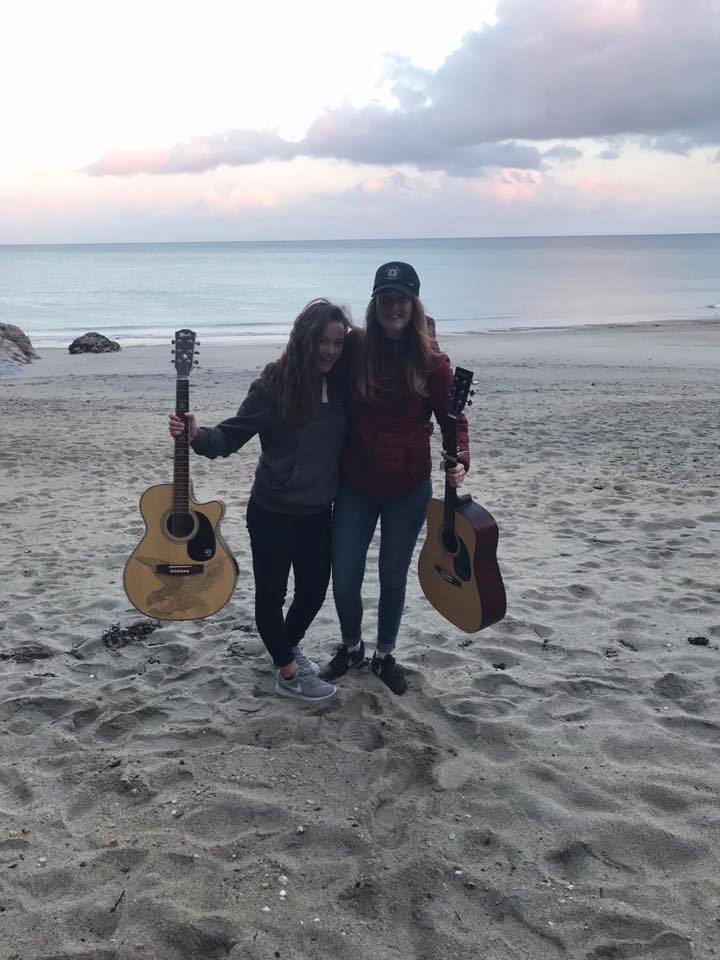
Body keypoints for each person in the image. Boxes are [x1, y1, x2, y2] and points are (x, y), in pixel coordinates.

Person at [168, 299, 350, 702]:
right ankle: (287, 673)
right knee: (272, 594)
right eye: (322, 341)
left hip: (320, 513)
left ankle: (285, 648)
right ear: (303, 339)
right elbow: (228, 439)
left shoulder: (343, 386)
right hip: (273, 512)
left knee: (314, 592)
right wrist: (196, 434)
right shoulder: (271, 387)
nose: (330, 351)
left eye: (338, 343)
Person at [322, 262, 469, 695]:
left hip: (408, 487)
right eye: (386, 299)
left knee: (392, 576)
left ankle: (385, 654)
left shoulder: (432, 361)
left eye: (402, 298)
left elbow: (453, 419)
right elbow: (315, 362)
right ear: (375, 304)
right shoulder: (354, 348)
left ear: (414, 304)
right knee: (344, 577)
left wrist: (459, 459)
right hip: (354, 485)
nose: (394, 306)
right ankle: (352, 647)